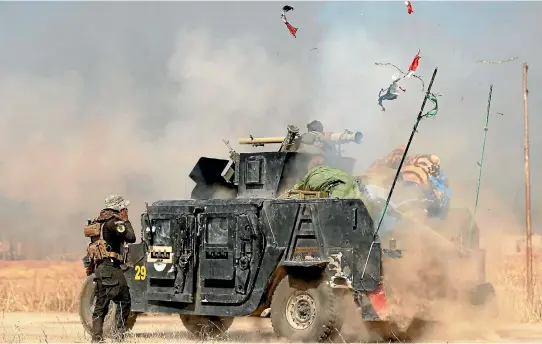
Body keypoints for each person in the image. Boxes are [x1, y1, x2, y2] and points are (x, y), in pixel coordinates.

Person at [89, 194, 136, 343]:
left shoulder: (99, 222)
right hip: (110, 267)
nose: (124, 209)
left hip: (100, 268)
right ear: (118, 208)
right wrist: (126, 220)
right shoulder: (114, 222)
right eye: (123, 207)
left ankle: (96, 339)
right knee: (124, 300)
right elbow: (131, 237)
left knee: (100, 305)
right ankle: (118, 337)